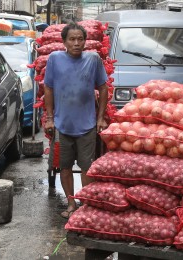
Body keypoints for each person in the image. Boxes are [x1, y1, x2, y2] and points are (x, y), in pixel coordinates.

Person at [44, 22, 109, 219]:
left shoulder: (93, 59)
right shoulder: (55, 59)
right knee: (64, 167)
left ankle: (85, 204)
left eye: (80, 39)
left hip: (87, 125)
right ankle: (71, 203)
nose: (76, 43)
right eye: (72, 39)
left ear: (85, 41)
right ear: (64, 41)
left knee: (86, 166)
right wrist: (49, 118)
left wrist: (100, 118)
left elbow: (103, 88)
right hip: (62, 125)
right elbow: (48, 88)